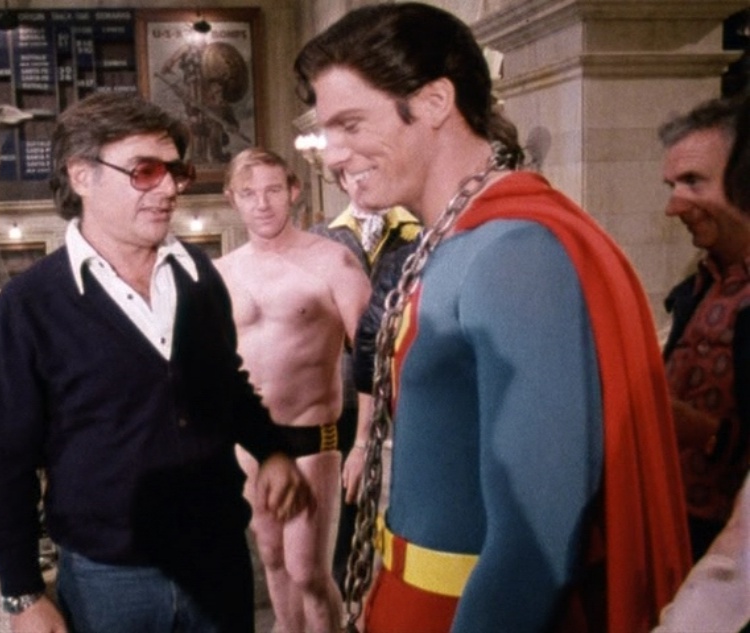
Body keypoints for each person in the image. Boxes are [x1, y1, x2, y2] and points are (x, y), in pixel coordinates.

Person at [294, 4, 691, 632]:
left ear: (434, 102)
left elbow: (535, 539)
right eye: (327, 131)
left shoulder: (513, 252)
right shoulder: (452, 240)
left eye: (350, 123)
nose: (333, 154)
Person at [0, 94, 316, 633]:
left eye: (175, 171)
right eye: (144, 171)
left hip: (220, 563)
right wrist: (22, 594)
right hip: (107, 583)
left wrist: (270, 449)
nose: (169, 188)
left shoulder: (197, 275)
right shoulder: (28, 305)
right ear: (82, 176)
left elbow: (225, 384)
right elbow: (2, 459)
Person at [215, 148, 372, 633]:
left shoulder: (332, 261)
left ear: (294, 191)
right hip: (249, 442)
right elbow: (210, 365)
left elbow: (371, 358)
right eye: (249, 193)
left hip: (311, 435)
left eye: (272, 191)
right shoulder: (221, 272)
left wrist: (363, 443)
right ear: (233, 199)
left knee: (308, 571)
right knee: (272, 558)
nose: (262, 204)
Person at [654, 94, 750, 633]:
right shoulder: (697, 284)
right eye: (672, 185)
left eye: (693, 181)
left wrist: (709, 434)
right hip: (679, 539)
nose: (674, 206)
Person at [309, 172, 420, 588]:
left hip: (408, 375)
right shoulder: (322, 237)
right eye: (351, 175)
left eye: (370, 172)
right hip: (347, 381)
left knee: (410, 476)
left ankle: (401, 566)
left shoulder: (418, 228)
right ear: (340, 180)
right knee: (350, 486)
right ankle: (346, 572)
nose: (361, 182)